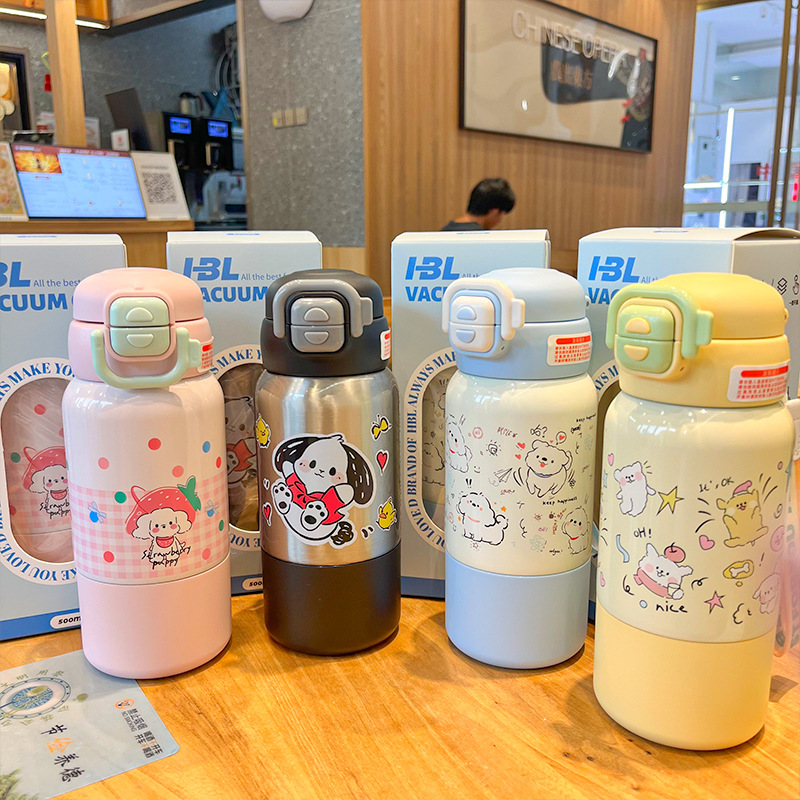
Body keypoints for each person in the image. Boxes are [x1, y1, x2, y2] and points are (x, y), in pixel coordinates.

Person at [441, 178, 516, 231]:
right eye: (502, 214)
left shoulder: (445, 231)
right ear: (494, 211)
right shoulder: (482, 239)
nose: (500, 220)